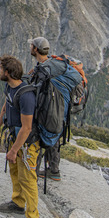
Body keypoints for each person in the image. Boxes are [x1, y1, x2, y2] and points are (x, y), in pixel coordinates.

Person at [0, 55, 40, 218]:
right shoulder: (10, 87)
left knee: (27, 178)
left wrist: (14, 150)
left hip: (27, 144)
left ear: (8, 73)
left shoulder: (26, 96)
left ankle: (32, 216)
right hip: (14, 136)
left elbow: (27, 128)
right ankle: (18, 203)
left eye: (1, 69)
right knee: (14, 172)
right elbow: (7, 104)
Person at [29, 36, 64, 181]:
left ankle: (33, 173)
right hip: (59, 111)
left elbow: (36, 92)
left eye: (32, 46)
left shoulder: (42, 70)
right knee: (54, 137)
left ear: (36, 49)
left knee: (36, 137)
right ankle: (54, 170)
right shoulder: (54, 65)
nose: (30, 48)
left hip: (44, 111)